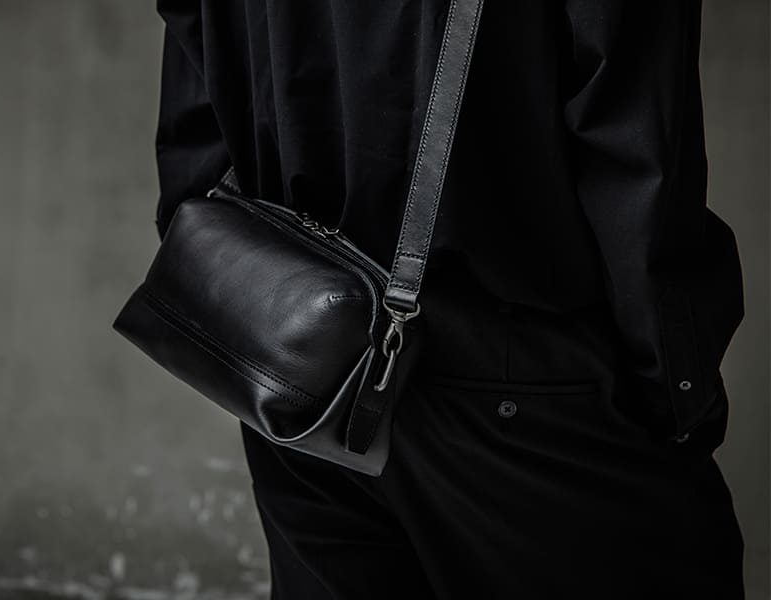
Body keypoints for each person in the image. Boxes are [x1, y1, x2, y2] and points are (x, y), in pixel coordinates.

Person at [153, 1, 746, 598]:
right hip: (520, 373)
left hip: (295, 352)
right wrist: (674, 385)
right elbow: (638, 140)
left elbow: (191, 45)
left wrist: (223, 267)